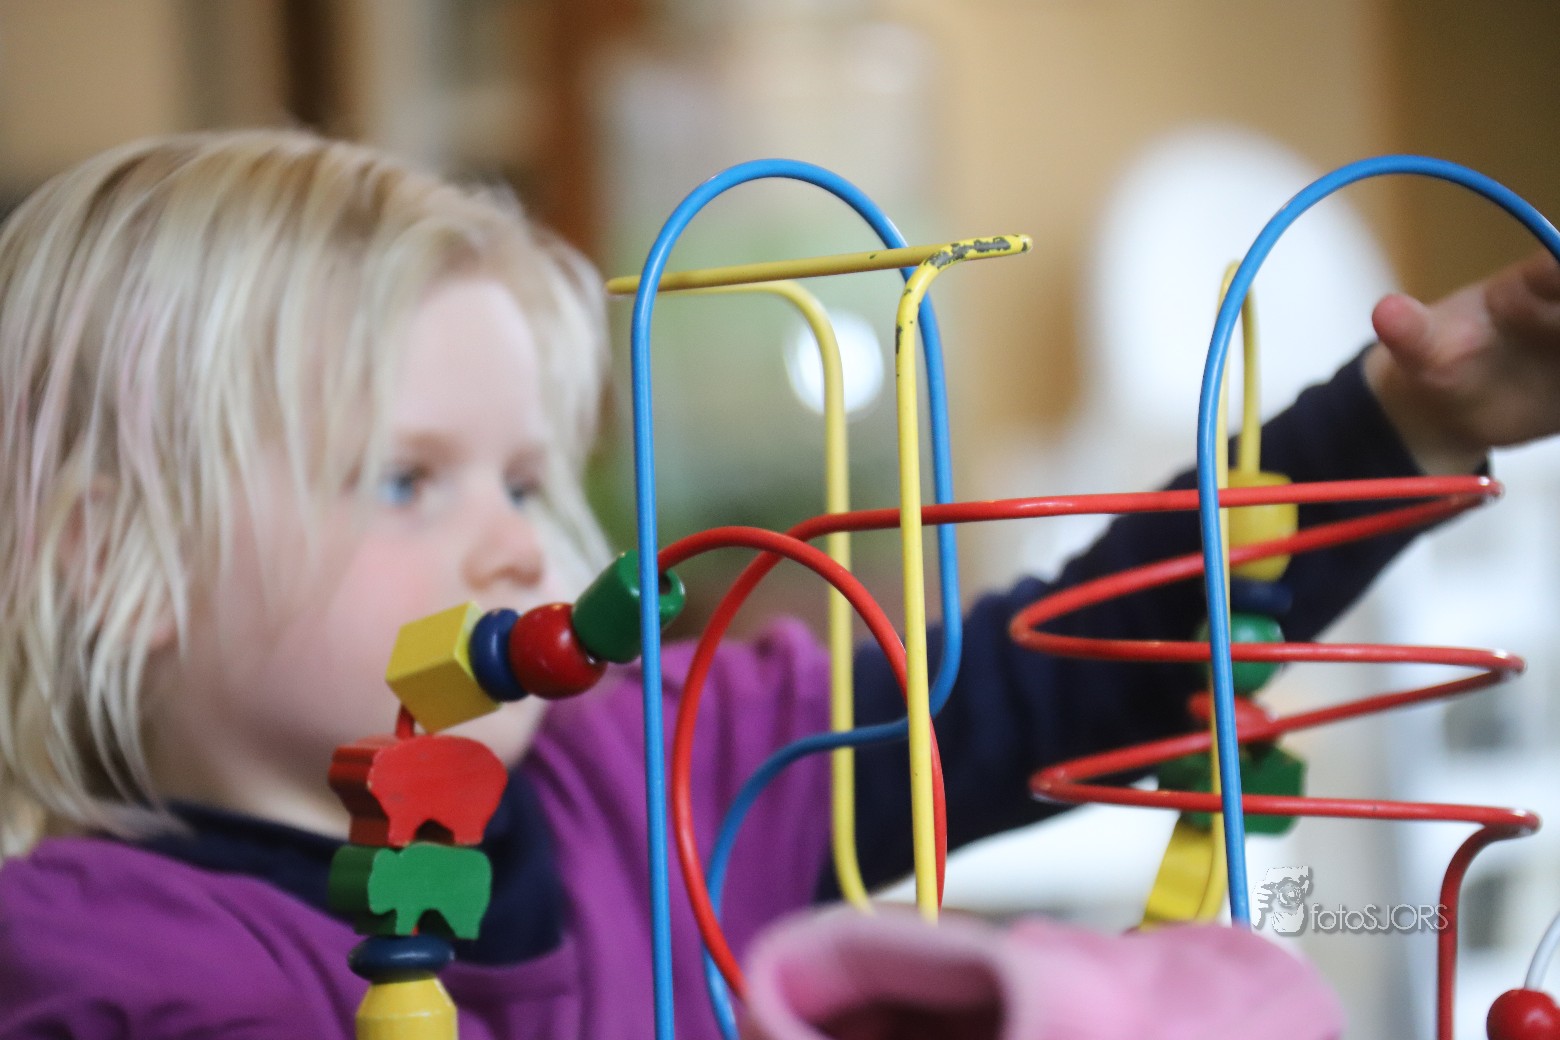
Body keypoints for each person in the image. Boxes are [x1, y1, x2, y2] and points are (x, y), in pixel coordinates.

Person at [0, 128, 1555, 1040]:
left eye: (527, 479)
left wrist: (1404, 425)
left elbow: (1043, 674)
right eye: (410, 479)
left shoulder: (669, 761)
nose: (516, 546)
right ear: (109, 559)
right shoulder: (95, 966)